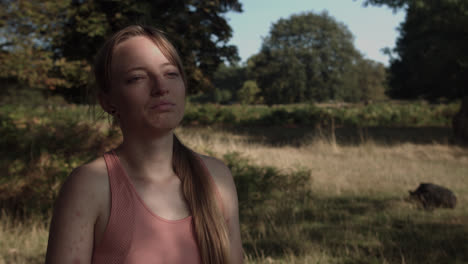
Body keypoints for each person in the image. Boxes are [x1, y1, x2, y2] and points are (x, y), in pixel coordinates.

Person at [45, 25, 243, 264]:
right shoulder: (90, 186)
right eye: (137, 77)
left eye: (170, 74)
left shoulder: (217, 177)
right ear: (107, 101)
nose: (161, 88)